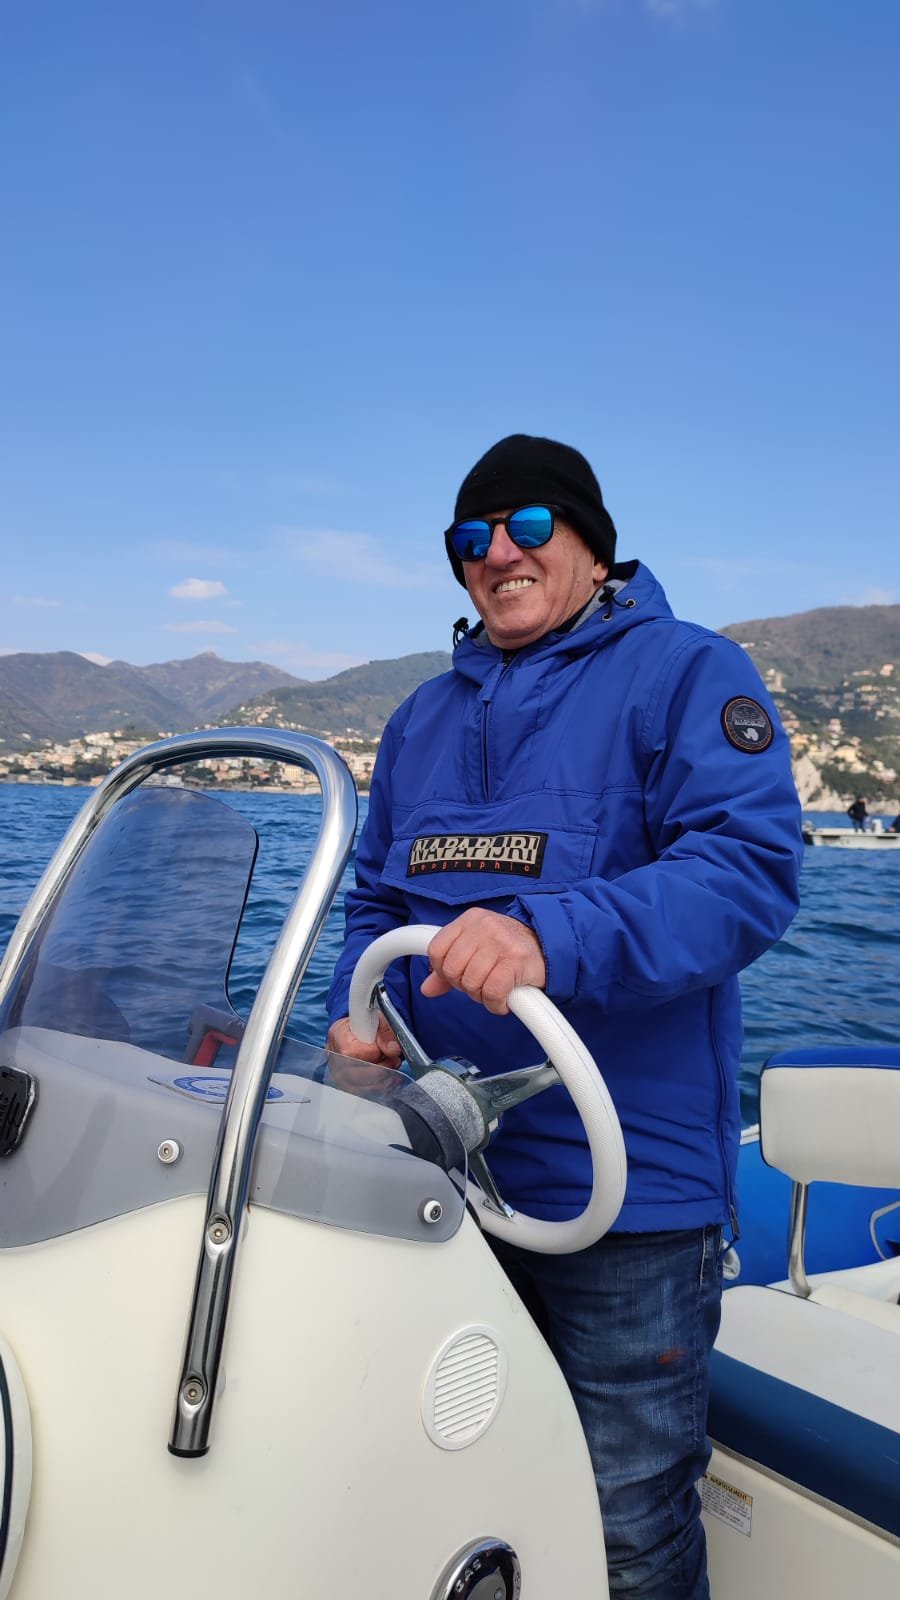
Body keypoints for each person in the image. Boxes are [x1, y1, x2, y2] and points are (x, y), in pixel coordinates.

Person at [326, 434, 803, 1598]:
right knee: (460, 1489)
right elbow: (375, 900)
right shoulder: (420, 719)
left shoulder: (688, 673)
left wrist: (551, 934)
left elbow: (747, 871)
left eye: (529, 525)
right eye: (471, 537)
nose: (498, 553)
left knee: (628, 1527)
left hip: (628, 1207)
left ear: (591, 543)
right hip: (448, 1181)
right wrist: (358, 1012)